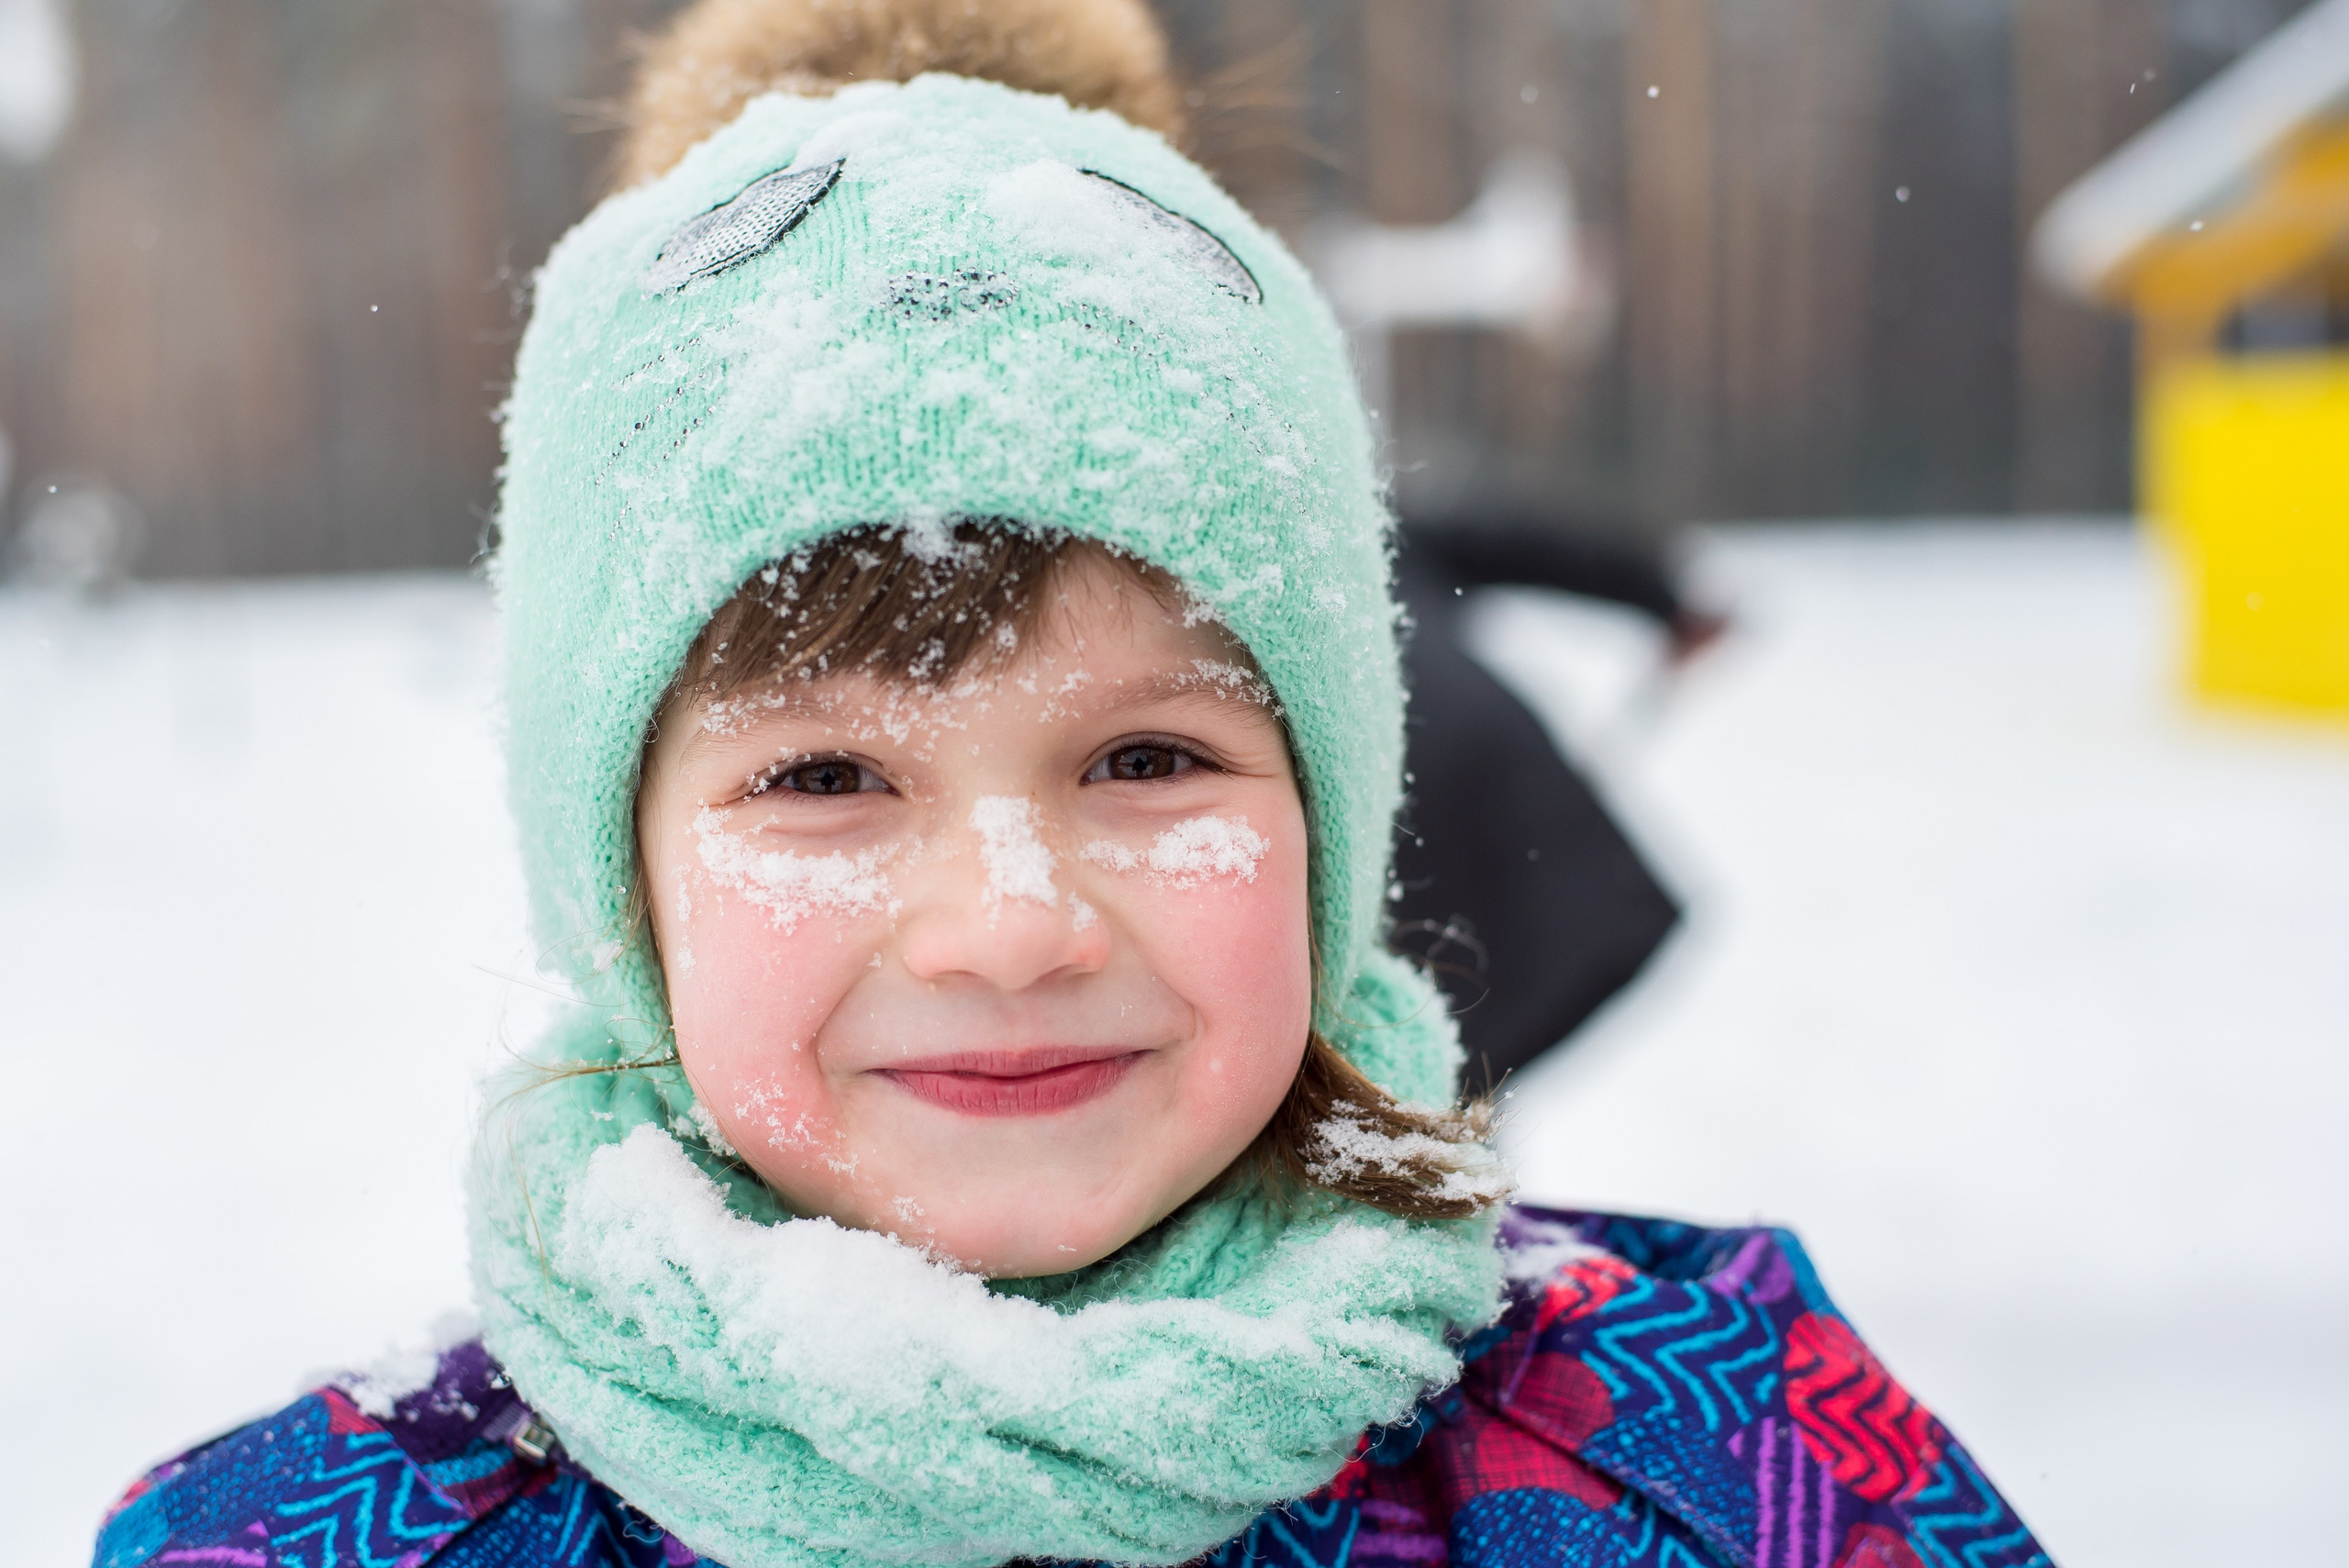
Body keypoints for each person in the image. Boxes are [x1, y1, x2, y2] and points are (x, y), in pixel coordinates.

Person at [91, 6, 2051, 1566]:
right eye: (825, 773)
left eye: (1145, 756)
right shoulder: (305, 1539)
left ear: (1331, 816)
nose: (1012, 926)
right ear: (613, 882)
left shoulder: (1721, 1464)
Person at [1392, 507, 1719, 1089]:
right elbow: (1511, 537)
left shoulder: (1312, 544)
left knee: (1422, 1056)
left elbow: (1507, 540)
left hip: (1431, 788)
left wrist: (1662, 600)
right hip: (1482, 757)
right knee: (1444, 1053)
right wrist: (1665, 601)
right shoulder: (1366, 529)